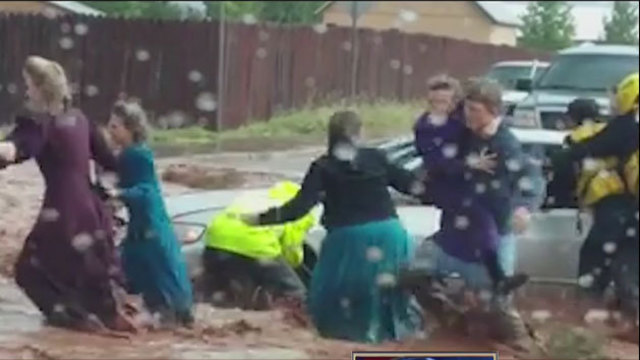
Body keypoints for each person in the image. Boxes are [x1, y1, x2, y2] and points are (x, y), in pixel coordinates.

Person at [242, 110, 424, 343]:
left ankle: (342, 346)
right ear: (360, 133)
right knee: (390, 298)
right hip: (390, 234)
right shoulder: (376, 157)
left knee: (329, 300)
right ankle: (399, 342)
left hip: (348, 241)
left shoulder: (323, 167)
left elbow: (298, 208)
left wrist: (260, 219)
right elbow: (413, 186)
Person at [0, 56, 138, 333]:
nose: (27, 92)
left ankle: (74, 322)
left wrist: (7, 150)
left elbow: (17, 148)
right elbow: (111, 161)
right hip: (91, 206)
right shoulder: (80, 119)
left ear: (41, 87)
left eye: (29, 85)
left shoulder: (39, 122)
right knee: (84, 263)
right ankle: (108, 317)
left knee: (29, 271)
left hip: (63, 209)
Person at [414, 75, 528, 296]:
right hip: (449, 191)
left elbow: (526, 172)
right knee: (480, 221)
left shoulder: (469, 126)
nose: (439, 107)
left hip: (477, 210)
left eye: (444, 102)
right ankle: (496, 279)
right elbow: (436, 162)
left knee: (484, 224)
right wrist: (468, 164)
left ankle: (496, 280)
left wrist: (523, 206)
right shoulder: (426, 127)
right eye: (433, 102)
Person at [554, 73, 639, 337]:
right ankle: (630, 320)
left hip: (621, 206)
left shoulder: (629, 124)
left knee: (597, 256)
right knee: (628, 260)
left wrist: (564, 157)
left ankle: (588, 314)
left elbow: (591, 147)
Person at [106, 99, 194, 327]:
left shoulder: (137, 155)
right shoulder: (127, 154)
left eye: (116, 126)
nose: (110, 130)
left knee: (155, 276)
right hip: (141, 227)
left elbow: (146, 191)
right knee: (128, 273)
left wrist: (118, 193)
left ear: (131, 129)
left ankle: (170, 317)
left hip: (150, 226)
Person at [202, 181, 315, 309]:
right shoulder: (298, 210)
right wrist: (293, 266)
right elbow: (290, 247)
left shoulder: (255, 199)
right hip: (255, 247)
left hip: (214, 245)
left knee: (219, 289)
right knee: (295, 292)